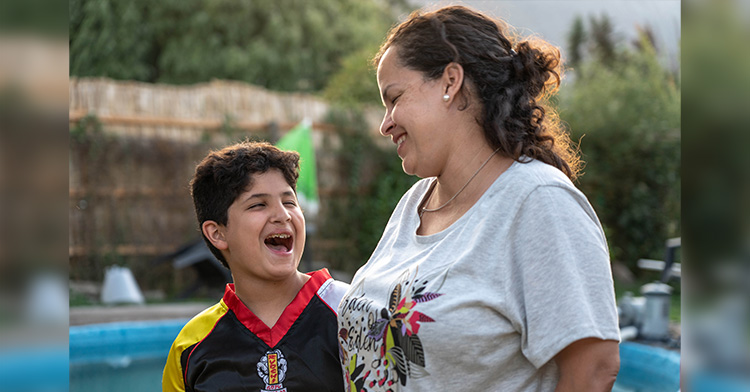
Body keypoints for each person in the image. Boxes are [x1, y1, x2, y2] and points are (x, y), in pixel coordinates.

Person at [336, 5, 620, 392]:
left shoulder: (539, 202)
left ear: (450, 82)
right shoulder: (415, 203)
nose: (385, 124)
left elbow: (594, 369)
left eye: (394, 98)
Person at [163, 141, 348, 392]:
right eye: (258, 205)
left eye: (289, 202)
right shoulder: (190, 346)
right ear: (217, 233)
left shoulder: (350, 312)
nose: (282, 215)